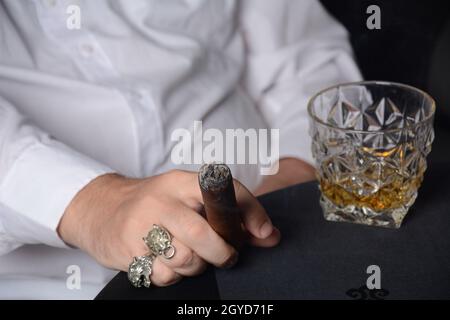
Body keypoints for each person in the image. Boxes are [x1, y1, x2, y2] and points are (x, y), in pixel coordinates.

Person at [0, 0, 361, 299]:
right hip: (51, 286)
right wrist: (90, 205)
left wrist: (295, 169)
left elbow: (308, 58)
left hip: (285, 235)